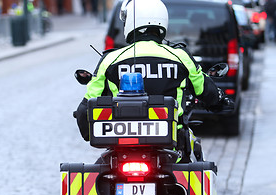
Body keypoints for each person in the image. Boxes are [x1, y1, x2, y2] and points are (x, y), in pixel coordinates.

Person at [75, 0, 233, 155]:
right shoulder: (180, 57)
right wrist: (220, 101)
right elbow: (205, 90)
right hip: (173, 145)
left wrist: (88, 131)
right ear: (162, 23)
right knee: (196, 168)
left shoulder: (110, 59)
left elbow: (86, 107)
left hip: (121, 146)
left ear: (130, 22)